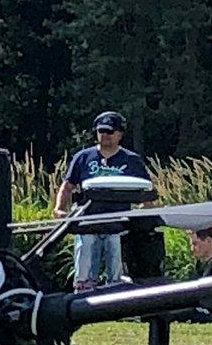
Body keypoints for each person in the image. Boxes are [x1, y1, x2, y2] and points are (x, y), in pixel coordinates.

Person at [52, 110, 154, 292]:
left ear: (120, 134)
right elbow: (67, 186)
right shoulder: (83, 157)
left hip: (119, 225)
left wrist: (144, 216)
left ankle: (115, 297)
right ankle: (83, 296)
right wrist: (59, 208)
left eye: (110, 132)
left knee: (116, 268)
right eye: (102, 131)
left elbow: (146, 192)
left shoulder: (132, 160)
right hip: (87, 223)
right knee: (84, 266)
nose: (105, 135)